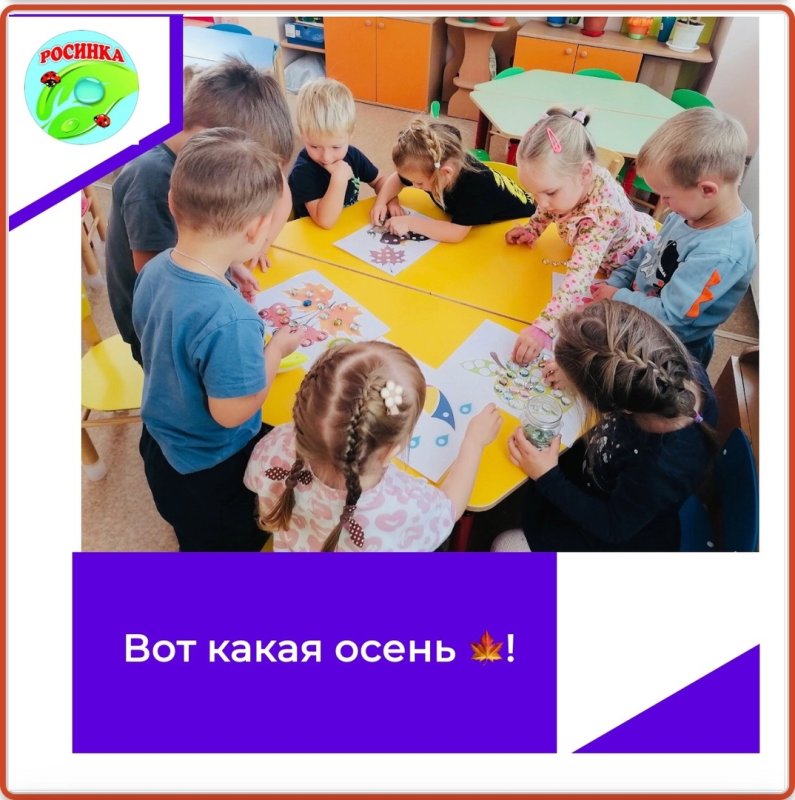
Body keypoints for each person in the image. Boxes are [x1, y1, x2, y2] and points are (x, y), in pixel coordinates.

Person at [132, 128, 306, 552]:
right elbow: (231, 413)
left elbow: (165, 325)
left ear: (172, 202)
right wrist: (275, 351)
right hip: (212, 468)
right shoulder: (232, 320)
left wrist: (227, 268)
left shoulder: (153, 268)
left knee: (193, 538)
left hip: (160, 444)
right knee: (226, 545)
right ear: (256, 229)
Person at [106, 58, 296, 363]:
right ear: (209, 138)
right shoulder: (150, 177)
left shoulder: (191, 165)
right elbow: (160, 278)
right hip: (159, 332)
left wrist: (228, 263)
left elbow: (194, 242)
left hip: (186, 302)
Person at [494, 301, 717, 552]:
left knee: (505, 547)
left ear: (612, 403)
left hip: (614, 536)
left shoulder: (660, 467)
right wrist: (577, 371)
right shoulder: (669, 372)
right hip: (601, 479)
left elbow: (613, 528)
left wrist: (548, 477)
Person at [244, 341, 502, 552]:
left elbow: (252, 482)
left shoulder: (276, 444)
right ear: (390, 451)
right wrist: (474, 443)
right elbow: (450, 509)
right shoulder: (406, 505)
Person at [592, 107, 756, 368]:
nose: (665, 205)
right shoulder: (690, 212)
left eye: (667, 196)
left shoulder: (721, 254)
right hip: (636, 317)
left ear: (707, 190)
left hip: (667, 350)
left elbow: (672, 318)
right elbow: (651, 252)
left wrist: (617, 296)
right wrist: (617, 281)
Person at [505, 107, 657, 366]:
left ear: (585, 173)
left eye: (550, 193)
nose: (542, 202)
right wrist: (533, 229)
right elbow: (546, 208)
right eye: (534, 193)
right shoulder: (567, 181)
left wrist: (544, 327)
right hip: (594, 252)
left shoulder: (604, 212)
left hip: (626, 267)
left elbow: (579, 278)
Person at [370, 117, 535, 242]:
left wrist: (409, 223)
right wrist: (381, 202)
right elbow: (398, 179)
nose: (413, 185)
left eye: (419, 183)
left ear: (446, 173)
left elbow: (456, 233)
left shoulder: (475, 187)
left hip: (518, 224)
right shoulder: (433, 166)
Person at [288, 78, 387, 227]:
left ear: (350, 134)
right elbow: (325, 222)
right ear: (302, 134)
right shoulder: (302, 171)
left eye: (335, 147)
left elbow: (380, 181)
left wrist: (388, 201)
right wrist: (339, 179)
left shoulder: (353, 155)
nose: (326, 157)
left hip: (346, 229)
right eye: (315, 146)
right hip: (315, 237)